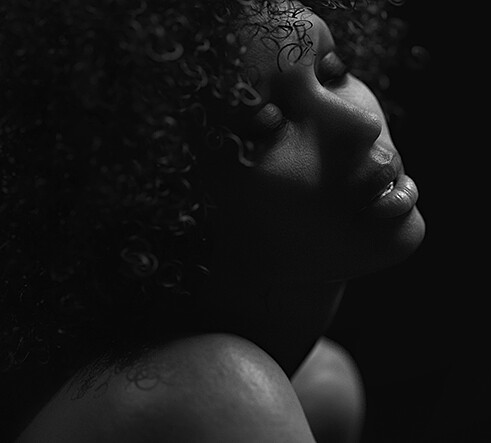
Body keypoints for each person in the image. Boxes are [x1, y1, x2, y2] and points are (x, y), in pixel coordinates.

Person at [0, 0, 424, 441]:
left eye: (332, 71)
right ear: (154, 205)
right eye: (267, 124)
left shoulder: (318, 391)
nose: (363, 122)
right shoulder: (217, 397)